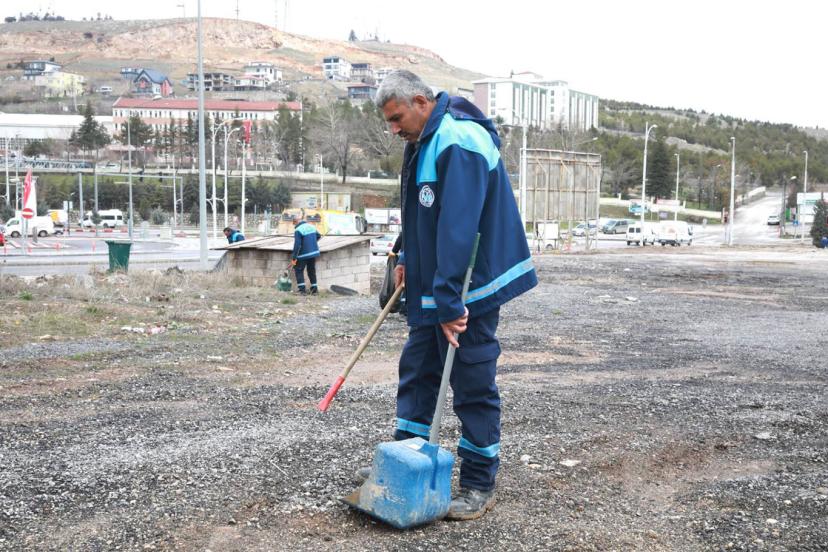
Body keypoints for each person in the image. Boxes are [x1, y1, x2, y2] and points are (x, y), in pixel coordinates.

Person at [366, 70, 537, 520]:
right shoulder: (423, 137)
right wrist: (407, 255)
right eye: (389, 122)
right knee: (419, 369)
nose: (393, 129)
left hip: (468, 285)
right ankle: (407, 463)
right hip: (435, 278)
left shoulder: (458, 140)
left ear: (421, 102)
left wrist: (448, 304)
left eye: (397, 118)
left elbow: (458, 229)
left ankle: (479, 483)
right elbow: (422, 210)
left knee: (471, 380)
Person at [291, 214, 322, 295]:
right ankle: (314, 290)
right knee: (311, 270)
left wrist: (294, 257)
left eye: (294, 223)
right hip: (313, 253)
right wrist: (311, 242)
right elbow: (318, 236)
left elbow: (297, 245)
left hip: (303, 254)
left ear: (296, 221)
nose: (294, 225)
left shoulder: (298, 230)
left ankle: (302, 290)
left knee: (298, 270)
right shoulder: (311, 226)